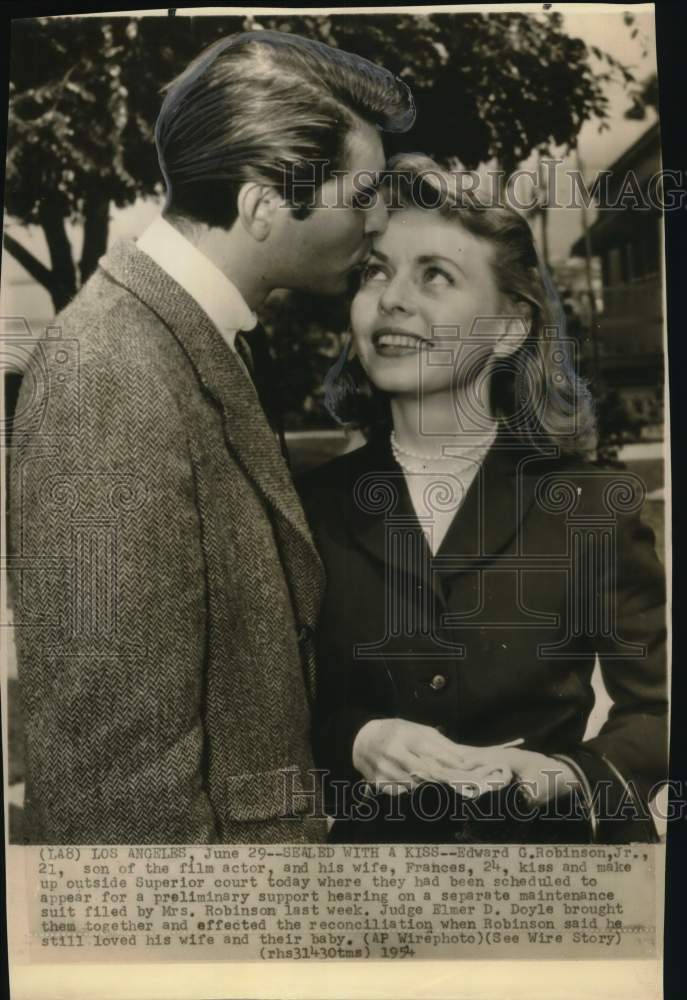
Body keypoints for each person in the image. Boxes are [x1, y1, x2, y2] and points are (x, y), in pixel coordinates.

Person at [7, 31, 414, 844]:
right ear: (264, 204)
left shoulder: (188, 337)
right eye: (362, 191)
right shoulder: (111, 370)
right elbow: (111, 778)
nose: (377, 219)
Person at [300, 155, 667, 844]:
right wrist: (354, 737)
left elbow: (657, 710)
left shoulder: (590, 505)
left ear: (508, 328)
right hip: (375, 907)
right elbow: (262, 705)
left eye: (434, 275)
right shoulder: (305, 507)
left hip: (562, 893)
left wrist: (567, 775)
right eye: (374, 271)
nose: (390, 299)